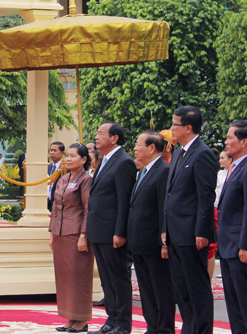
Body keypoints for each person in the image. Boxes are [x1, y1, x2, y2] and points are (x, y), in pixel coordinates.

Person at [163, 106, 217, 334]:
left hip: (192, 233)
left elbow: (206, 197)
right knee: (181, 287)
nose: (171, 129)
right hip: (174, 232)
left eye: (175, 124)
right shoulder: (178, 153)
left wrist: (202, 232)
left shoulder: (202, 153)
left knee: (197, 287)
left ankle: (202, 330)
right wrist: (165, 228)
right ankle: (189, 328)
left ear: (188, 127)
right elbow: (170, 194)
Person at [218, 120, 247, 334]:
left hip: (241, 247)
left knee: (246, 301)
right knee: (234, 303)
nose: (226, 142)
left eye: (230, 138)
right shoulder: (236, 166)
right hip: (229, 244)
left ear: (244, 142)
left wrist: (245, 245)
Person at [88, 122, 136, 334]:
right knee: (107, 280)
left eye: (101, 134)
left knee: (118, 278)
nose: (96, 137)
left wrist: (120, 232)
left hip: (112, 232)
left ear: (114, 138)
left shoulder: (123, 161)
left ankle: (123, 324)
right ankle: (112, 320)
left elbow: (124, 200)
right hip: (99, 230)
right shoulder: (105, 160)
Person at [128, 132, 174, 334]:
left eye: (138, 145)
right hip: (139, 242)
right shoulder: (143, 171)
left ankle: (163, 329)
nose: (135, 149)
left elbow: (164, 208)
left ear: (152, 148)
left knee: (161, 289)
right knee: (146, 290)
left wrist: (164, 242)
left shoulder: (163, 171)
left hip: (154, 244)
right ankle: (152, 326)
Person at [49, 143, 93, 333]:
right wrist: (52, 234)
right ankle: (71, 317)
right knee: (65, 277)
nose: (68, 159)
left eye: (72, 156)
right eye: (66, 155)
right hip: (60, 232)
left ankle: (81, 320)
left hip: (76, 233)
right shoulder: (63, 178)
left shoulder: (86, 179)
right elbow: (55, 207)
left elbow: (88, 209)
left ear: (83, 159)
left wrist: (84, 235)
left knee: (78, 277)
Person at [211, 150, 233, 280]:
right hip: (216, 207)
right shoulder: (219, 174)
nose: (220, 161)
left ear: (230, 160)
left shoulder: (234, 173)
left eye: (223, 158)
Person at [48, 141, 65, 212]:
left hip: (59, 203)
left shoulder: (65, 168)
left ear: (62, 153)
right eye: (51, 150)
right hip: (47, 203)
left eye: (55, 150)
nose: (52, 152)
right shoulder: (48, 167)